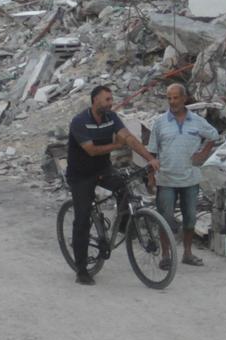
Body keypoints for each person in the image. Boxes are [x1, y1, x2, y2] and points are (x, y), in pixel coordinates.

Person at [65, 85, 157, 286]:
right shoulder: (80, 122)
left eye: (111, 99)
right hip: (80, 176)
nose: (110, 102)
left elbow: (129, 139)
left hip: (102, 170)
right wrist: (116, 145)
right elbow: (91, 150)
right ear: (95, 100)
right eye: (106, 99)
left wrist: (150, 159)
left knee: (124, 187)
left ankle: (124, 225)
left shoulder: (111, 118)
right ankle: (81, 270)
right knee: (82, 220)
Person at [146, 83, 219, 268]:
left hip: (190, 179)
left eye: (176, 97)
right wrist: (150, 176)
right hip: (166, 179)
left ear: (184, 98)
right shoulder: (160, 122)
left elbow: (214, 135)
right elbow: (152, 152)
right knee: (165, 217)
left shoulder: (196, 120)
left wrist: (203, 154)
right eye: (169, 98)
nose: (172, 102)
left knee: (190, 218)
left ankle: (187, 253)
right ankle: (166, 256)